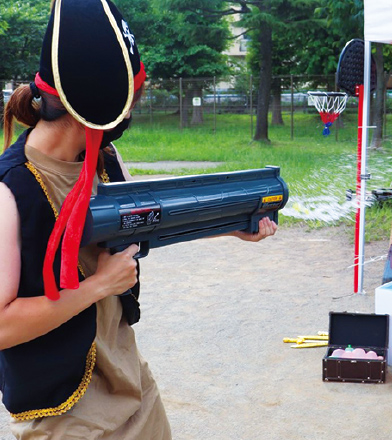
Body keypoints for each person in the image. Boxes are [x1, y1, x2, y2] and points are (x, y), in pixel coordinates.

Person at [0, 1, 276, 439]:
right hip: (63, 414)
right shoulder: (10, 190)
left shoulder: (104, 158)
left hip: (133, 388)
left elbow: (143, 220)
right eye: (128, 98)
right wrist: (98, 286)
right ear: (97, 102)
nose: (130, 112)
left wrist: (233, 222)